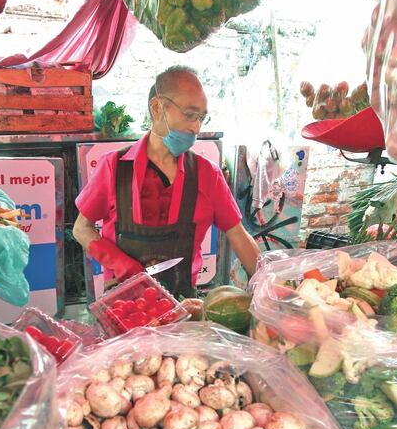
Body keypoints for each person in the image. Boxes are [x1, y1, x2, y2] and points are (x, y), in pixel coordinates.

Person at [73, 65, 260, 298]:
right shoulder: (114, 167)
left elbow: (238, 235)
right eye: (190, 115)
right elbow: (81, 228)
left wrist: (270, 285)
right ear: (157, 108)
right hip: (123, 303)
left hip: (182, 306)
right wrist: (123, 265)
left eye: (201, 118)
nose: (196, 127)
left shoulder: (207, 175)